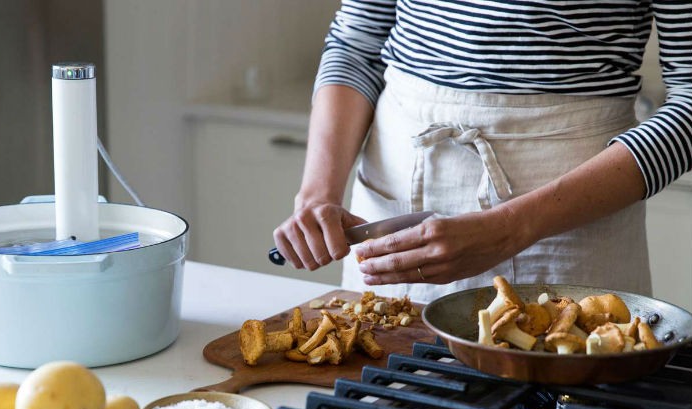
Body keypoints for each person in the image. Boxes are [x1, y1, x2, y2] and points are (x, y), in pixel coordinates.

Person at [272, 1, 692, 303]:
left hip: (570, 217)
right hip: (400, 200)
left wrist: (512, 227)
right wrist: (316, 194)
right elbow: (354, 47)